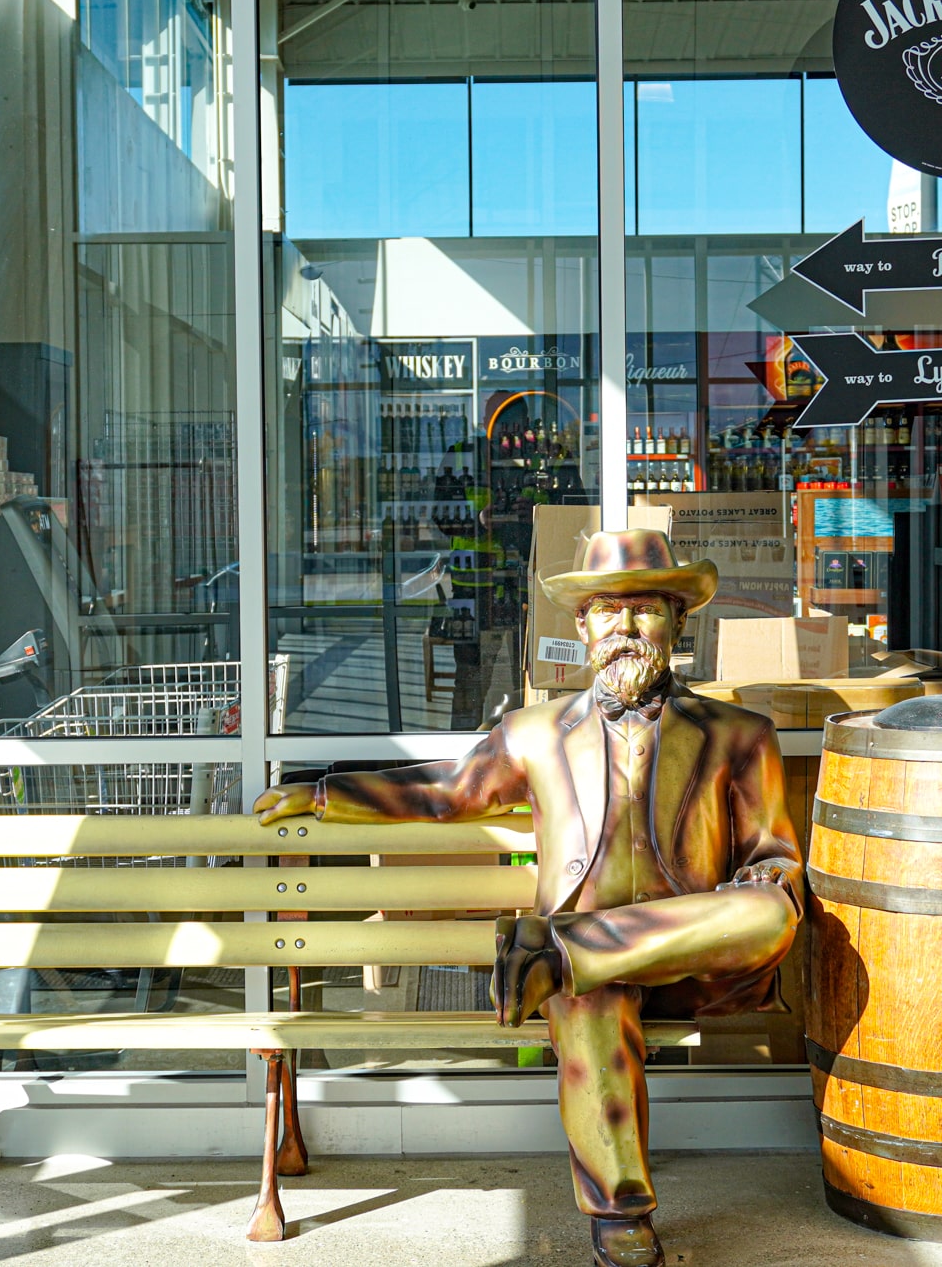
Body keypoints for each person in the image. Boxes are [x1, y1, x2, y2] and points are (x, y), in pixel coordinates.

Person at [256, 529, 802, 1267]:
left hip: (695, 962)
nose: (626, 626)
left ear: (679, 622)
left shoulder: (739, 733)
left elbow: (773, 859)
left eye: (646, 609)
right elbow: (446, 792)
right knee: (586, 995)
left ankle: (561, 951)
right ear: (583, 625)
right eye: (607, 610)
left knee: (772, 909)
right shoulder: (534, 731)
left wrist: (764, 883)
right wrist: (325, 793)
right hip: (589, 976)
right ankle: (622, 1216)